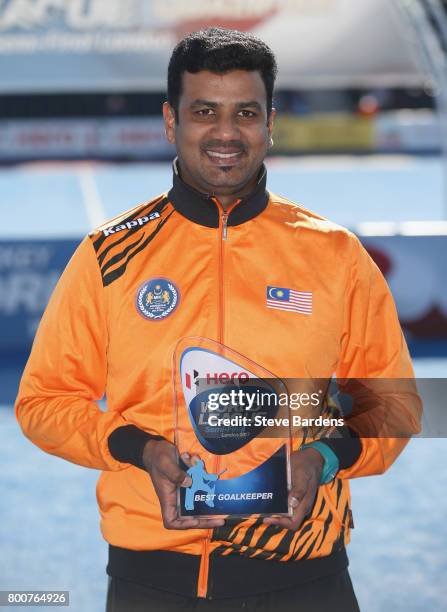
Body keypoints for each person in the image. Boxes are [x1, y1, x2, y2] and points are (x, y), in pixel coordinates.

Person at [15, 27, 421, 612]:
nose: (226, 132)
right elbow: (44, 399)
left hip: (303, 576)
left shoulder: (335, 255)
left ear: (270, 122)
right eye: (204, 111)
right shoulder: (109, 256)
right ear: (169, 120)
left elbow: (395, 402)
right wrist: (137, 447)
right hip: (152, 581)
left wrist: (324, 456)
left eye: (245, 112)